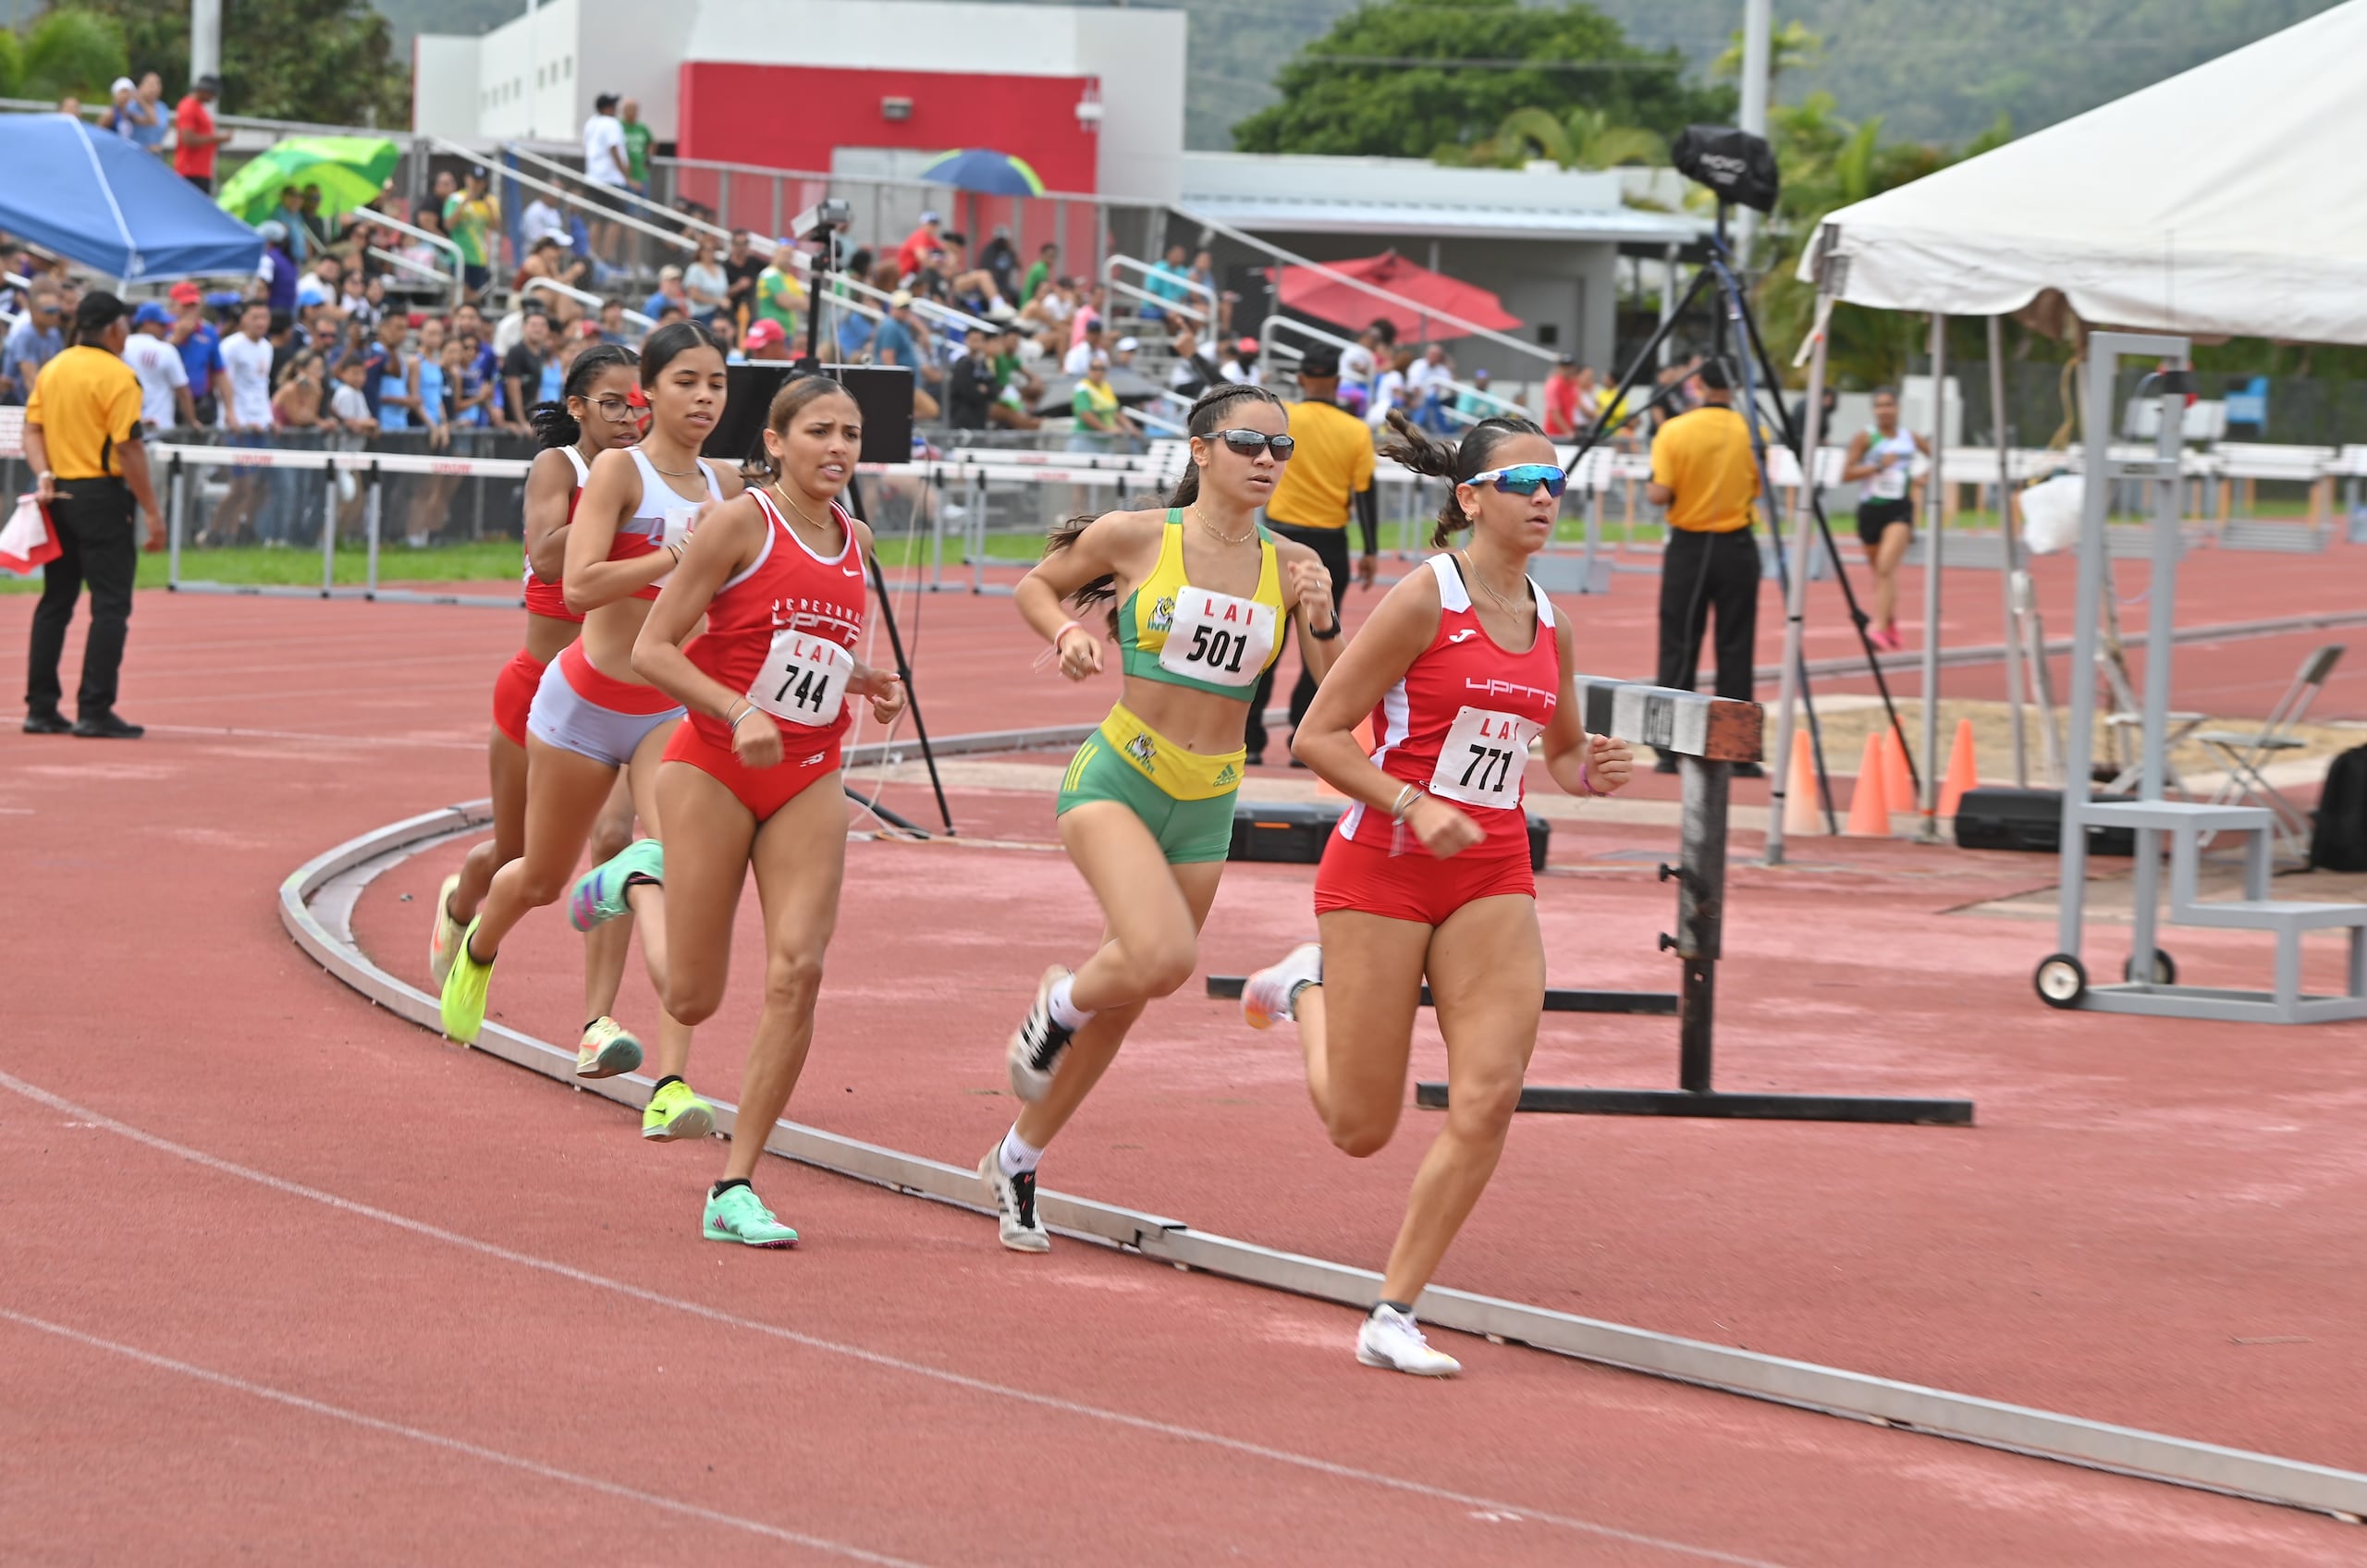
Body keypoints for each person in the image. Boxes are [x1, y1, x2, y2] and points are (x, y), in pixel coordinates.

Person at [1235, 409, 1636, 1377]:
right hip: (1384, 862)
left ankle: (1393, 1310)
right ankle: (1303, 990)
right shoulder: (1425, 598)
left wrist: (1591, 769)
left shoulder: (1553, 622)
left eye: (1555, 486)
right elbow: (1319, 737)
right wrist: (1414, 803)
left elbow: (1560, 751)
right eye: (1523, 484)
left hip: (1492, 867)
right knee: (1361, 1128)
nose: (1544, 499)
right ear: (1470, 499)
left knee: (1488, 1095)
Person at [982, 384, 1342, 1253]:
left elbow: (1330, 692)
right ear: (1201, 450)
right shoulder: (1140, 537)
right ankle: (1057, 1003)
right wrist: (1069, 636)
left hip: (1209, 797)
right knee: (1163, 957)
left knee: (1139, 993)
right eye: (1249, 443)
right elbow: (1038, 588)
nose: (1266, 460)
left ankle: (1018, 1159)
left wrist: (1323, 617)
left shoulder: (1290, 563)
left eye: (1280, 449)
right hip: (1118, 775)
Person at [439, 323, 743, 1149]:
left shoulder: (724, 484)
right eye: (688, 382)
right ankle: (478, 946)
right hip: (579, 703)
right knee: (535, 876)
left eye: (717, 383)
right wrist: (667, 559)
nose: (706, 398)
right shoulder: (617, 470)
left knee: (676, 868)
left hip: (664, 709)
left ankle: (670, 1084)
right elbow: (572, 585)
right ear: (651, 391)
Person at [629, 374, 909, 1244]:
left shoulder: (857, 539)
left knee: (799, 970)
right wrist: (738, 710)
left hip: (808, 774)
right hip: (712, 766)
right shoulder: (740, 522)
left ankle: (734, 1184)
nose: (838, 449)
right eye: (819, 431)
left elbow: (800, 648)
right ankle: (638, 880)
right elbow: (652, 648)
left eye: (852, 435)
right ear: (776, 443)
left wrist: (862, 680)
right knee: (692, 997)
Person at [432, 345, 647, 1080]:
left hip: (620, 686)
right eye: (613, 402)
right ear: (581, 408)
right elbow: (550, 556)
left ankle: (597, 1023)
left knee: (616, 839)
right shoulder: (563, 466)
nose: (629, 415)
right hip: (539, 688)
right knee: (516, 859)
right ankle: (463, 909)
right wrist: (635, 531)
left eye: (637, 402)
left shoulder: (661, 475)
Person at [20, 293, 163, 740]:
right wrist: (151, 511)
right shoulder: (119, 376)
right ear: (115, 328)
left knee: (56, 601)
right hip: (100, 495)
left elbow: (32, 428)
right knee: (110, 604)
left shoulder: (55, 367)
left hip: (57, 491)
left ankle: (41, 707)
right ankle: (94, 707)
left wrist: (43, 472)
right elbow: (128, 446)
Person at [1245, 347, 1374, 764]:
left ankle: (1250, 742)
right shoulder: (1356, 430)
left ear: (1300, 380)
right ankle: (1305, 739)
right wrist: (1370, 550)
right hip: (1329, 545)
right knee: (1319, 643)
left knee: (1263, 642)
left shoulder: (1287, 422)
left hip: (1279, 541)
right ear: (1337, 382)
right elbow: (1365, 494)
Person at [1645, 358, 1762, 775]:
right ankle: (1739, 751)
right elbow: (1758, 486)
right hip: (1737, 544)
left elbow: (1660, 492)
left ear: (1698, 384)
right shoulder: (1753, 431)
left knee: (1679, 644)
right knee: (1736, 645)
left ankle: (1668, 749)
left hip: (1689, 546)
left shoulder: (1674, 431)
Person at [1843, 386, 1927, 651]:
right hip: (1870, 511)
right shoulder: (1865, 438)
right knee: (1880, 574)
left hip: (1899, 509)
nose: (1884, 410)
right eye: (1879, 405)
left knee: (1885, 567)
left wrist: (1923, 476)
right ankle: (1890, 624)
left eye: (1889, 404)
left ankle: (1878, 627)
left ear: (1898, 407)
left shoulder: (1909, 438)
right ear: (1873, 410)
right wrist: (1878, 466)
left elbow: (1934, 458)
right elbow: (1846, 474)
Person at [122, 302, 195, 433]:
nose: (166, 328)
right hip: (161, 427)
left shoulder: (121, 346)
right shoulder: (166, 350)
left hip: (128, 426)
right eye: (161, 324)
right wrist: (192, 421)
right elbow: (182, 391)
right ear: (147, 323)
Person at [582, 93, 633, 261]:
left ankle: (593, 256)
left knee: (597, 219)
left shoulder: (591, 122)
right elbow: (614, 149)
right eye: (613, 106)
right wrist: (626, 176)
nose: (616, 109)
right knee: (616, 219)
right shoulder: (611, 123)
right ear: (607, 108)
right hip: (609, 178)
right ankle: (604, 258)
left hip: (593, 177)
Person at [167, 282, 222, 425]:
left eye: (193, 305)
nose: (190, 311)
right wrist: (176, 338)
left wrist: (230, 409)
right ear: (174, 305)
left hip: (201, 401)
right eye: (185, 306)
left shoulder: (209, 332)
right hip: (170, 401)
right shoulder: (164, 328)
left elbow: (220, 371)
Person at [6, 284, 67, 407]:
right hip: (18, 403)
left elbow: (60, 371)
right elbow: (31, 382)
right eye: (50, 311)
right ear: (33, 311)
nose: (55, 315)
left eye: (57, 310)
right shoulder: (25, 335)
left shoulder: (53, 334)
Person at [502, 312, 562, 434]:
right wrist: (522, 421)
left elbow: (537, 388)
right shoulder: (516, 352)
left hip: (530, 417)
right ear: (524, 327)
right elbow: (513, 388)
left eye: (542, 325)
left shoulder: (542, 353)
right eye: (533, 325)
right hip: (512, 420)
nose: (538, 329)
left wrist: (535, 419)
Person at [445, 166, 498, 302]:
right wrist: (465, 202)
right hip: (459, 256)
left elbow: (495, 227)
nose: (476, 184)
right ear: (466, 179)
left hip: (479, 257)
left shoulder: (490, 201)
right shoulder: (456, 198)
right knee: (459, 295)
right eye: (474, 180)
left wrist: (490, 209)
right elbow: (449, 224)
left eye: (480, 181)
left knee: (475, 298)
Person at [1068, 354, 1133, 452]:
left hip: (1104, 442)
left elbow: (1115, 411)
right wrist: (1107, 430)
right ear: (1088, 370)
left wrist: (1129, 427)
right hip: (1085, 441)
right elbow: (1086, 414)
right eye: (1094, 368)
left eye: (1102, 368)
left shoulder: (1106, 387)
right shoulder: (1082, 388)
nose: (1098, 372)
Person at [173, 76, 224, 193]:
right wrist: (216, 138)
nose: (214, 97)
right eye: (213, 93)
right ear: (204, 91)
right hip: (190, 171)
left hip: (200, 171)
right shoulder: (188, 107)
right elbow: (188, 140)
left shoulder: (198, 107)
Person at [127, 73, 169, 154]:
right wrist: (141, 101)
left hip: (156, 155)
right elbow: (153, 120)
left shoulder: (162, 107)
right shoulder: (131, 107)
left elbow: (163, 128)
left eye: (158, 84)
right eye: (151, 85)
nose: (155, 89)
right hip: (136, 154)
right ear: (140, 86)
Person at [619, 97, 654, 194]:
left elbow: (651, 142)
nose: (633, 112)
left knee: (645, 206)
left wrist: (648, 158)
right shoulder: (618, 126)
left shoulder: (642, 127)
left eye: (635, 109)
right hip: (625, 176)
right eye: (630, 109)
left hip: (642, 174)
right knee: (629, 207)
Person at [1541, 356, 1582, 438]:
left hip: (1569, 432)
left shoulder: (1574, 384)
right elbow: (1555, 413)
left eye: (1570, 367)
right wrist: (1568, 432)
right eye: (1564, 367)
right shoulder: (1553, 385)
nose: (1567, 370)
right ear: (1559, 368)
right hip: (1554, 434)